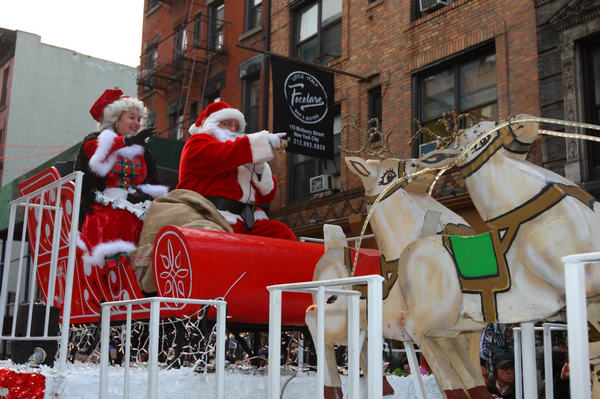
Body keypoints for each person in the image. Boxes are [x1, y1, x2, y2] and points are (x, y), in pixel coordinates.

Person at [75, 89, 168, 269]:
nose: (136, 123)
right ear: (116, 119)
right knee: (120, 217)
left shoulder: (143, 153)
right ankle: (110, 272)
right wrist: (128, 141)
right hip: (103, 208)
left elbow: (152, 183)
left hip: (135, 206)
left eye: (139, 119)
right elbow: (96, 152)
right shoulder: (96, 141)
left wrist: (145, 197)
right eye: (131, 118)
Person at [177, 101, 295, 240]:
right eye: (227, 123)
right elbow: (222, 155)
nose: (233, 129)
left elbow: (266, 196)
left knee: (282, 234)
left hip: (248, 221)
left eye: (237, 126)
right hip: (210, 218)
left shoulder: (241, 154)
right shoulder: (197, 143)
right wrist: (261, 142)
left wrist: (259, 166)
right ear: (211, 124)